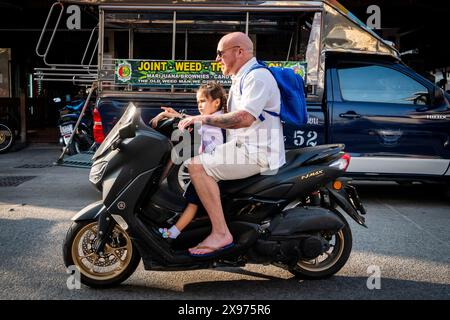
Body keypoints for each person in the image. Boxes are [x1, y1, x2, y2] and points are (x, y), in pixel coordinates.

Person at [178, 32, 285, 256]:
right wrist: (180, 116)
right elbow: (220, 114)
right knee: (197, 163)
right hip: (243, 148)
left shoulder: (257, 77)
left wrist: (201, 119)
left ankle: (220, 233)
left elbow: (243, 118)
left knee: (196, 166)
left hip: (256, 153)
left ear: (239, 51)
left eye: (220, 53)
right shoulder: (241, 78)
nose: (217, 59)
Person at [150, 82, 228, 239]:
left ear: (217, 102)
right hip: (206, 167)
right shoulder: (211, 118)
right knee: (191, 201)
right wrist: (175, 115)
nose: (199, 105)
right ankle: (180, 230)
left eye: (203, 101)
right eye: (198, 101)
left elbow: (196, 120)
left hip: (211, 170)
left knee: (193, 204)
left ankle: (173, 233)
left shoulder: (216, 119)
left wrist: (177, 116)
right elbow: (193, 119)